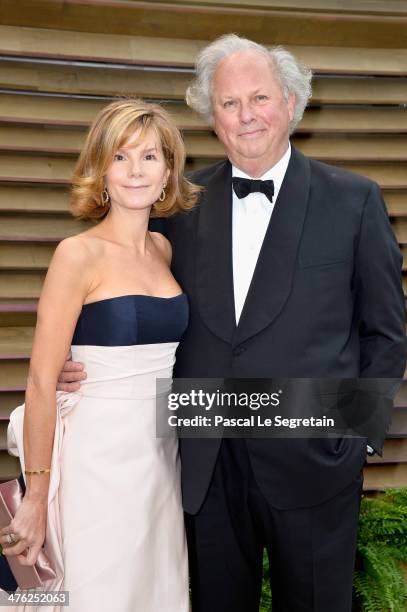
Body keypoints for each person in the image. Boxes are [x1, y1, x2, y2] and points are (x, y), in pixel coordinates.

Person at [57, 35, 406, 612]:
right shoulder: (178, 207)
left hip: (314, 455)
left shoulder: (356, 200)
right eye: (229, 103)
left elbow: (385, 333)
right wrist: (82, 363)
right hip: (204, 459)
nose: (246, 116)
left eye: (260, 98)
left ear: (291, 104)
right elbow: (130, 294)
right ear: (210, 115)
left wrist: (355, 438)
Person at [0, 98, 201, 611]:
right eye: (121, 156)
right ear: (101, 170)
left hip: (160, 460)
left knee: (151, 589)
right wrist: (38, 499)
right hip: (93, 461)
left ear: (168, 173)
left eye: (150, 157)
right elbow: (43, 382)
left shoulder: (165, 250)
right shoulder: (77, 254)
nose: (136, 170)